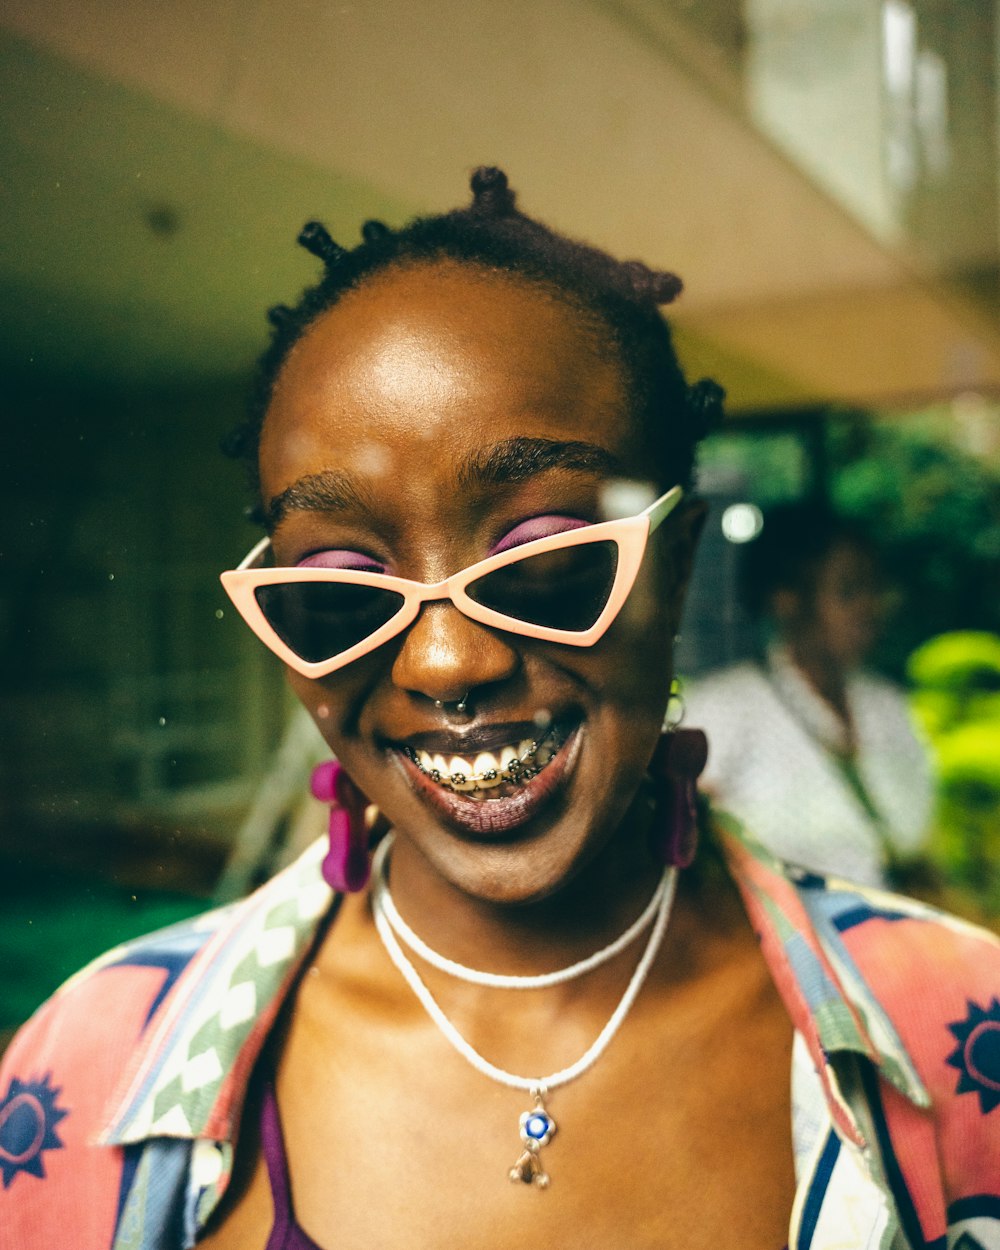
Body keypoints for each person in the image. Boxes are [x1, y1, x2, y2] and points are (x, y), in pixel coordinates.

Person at [2, 169, 999, 1250]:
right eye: (342, 584)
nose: (443, 659)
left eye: (543, 558)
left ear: (674, 564)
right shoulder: (82, 1075)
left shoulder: (963, 1043)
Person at [686, 503, 934, 888]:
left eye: (876, 589)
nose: (870, 608)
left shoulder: (888, 707)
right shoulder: (725, 710)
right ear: (786, 600)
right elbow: (684, 848)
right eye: (849, 591)